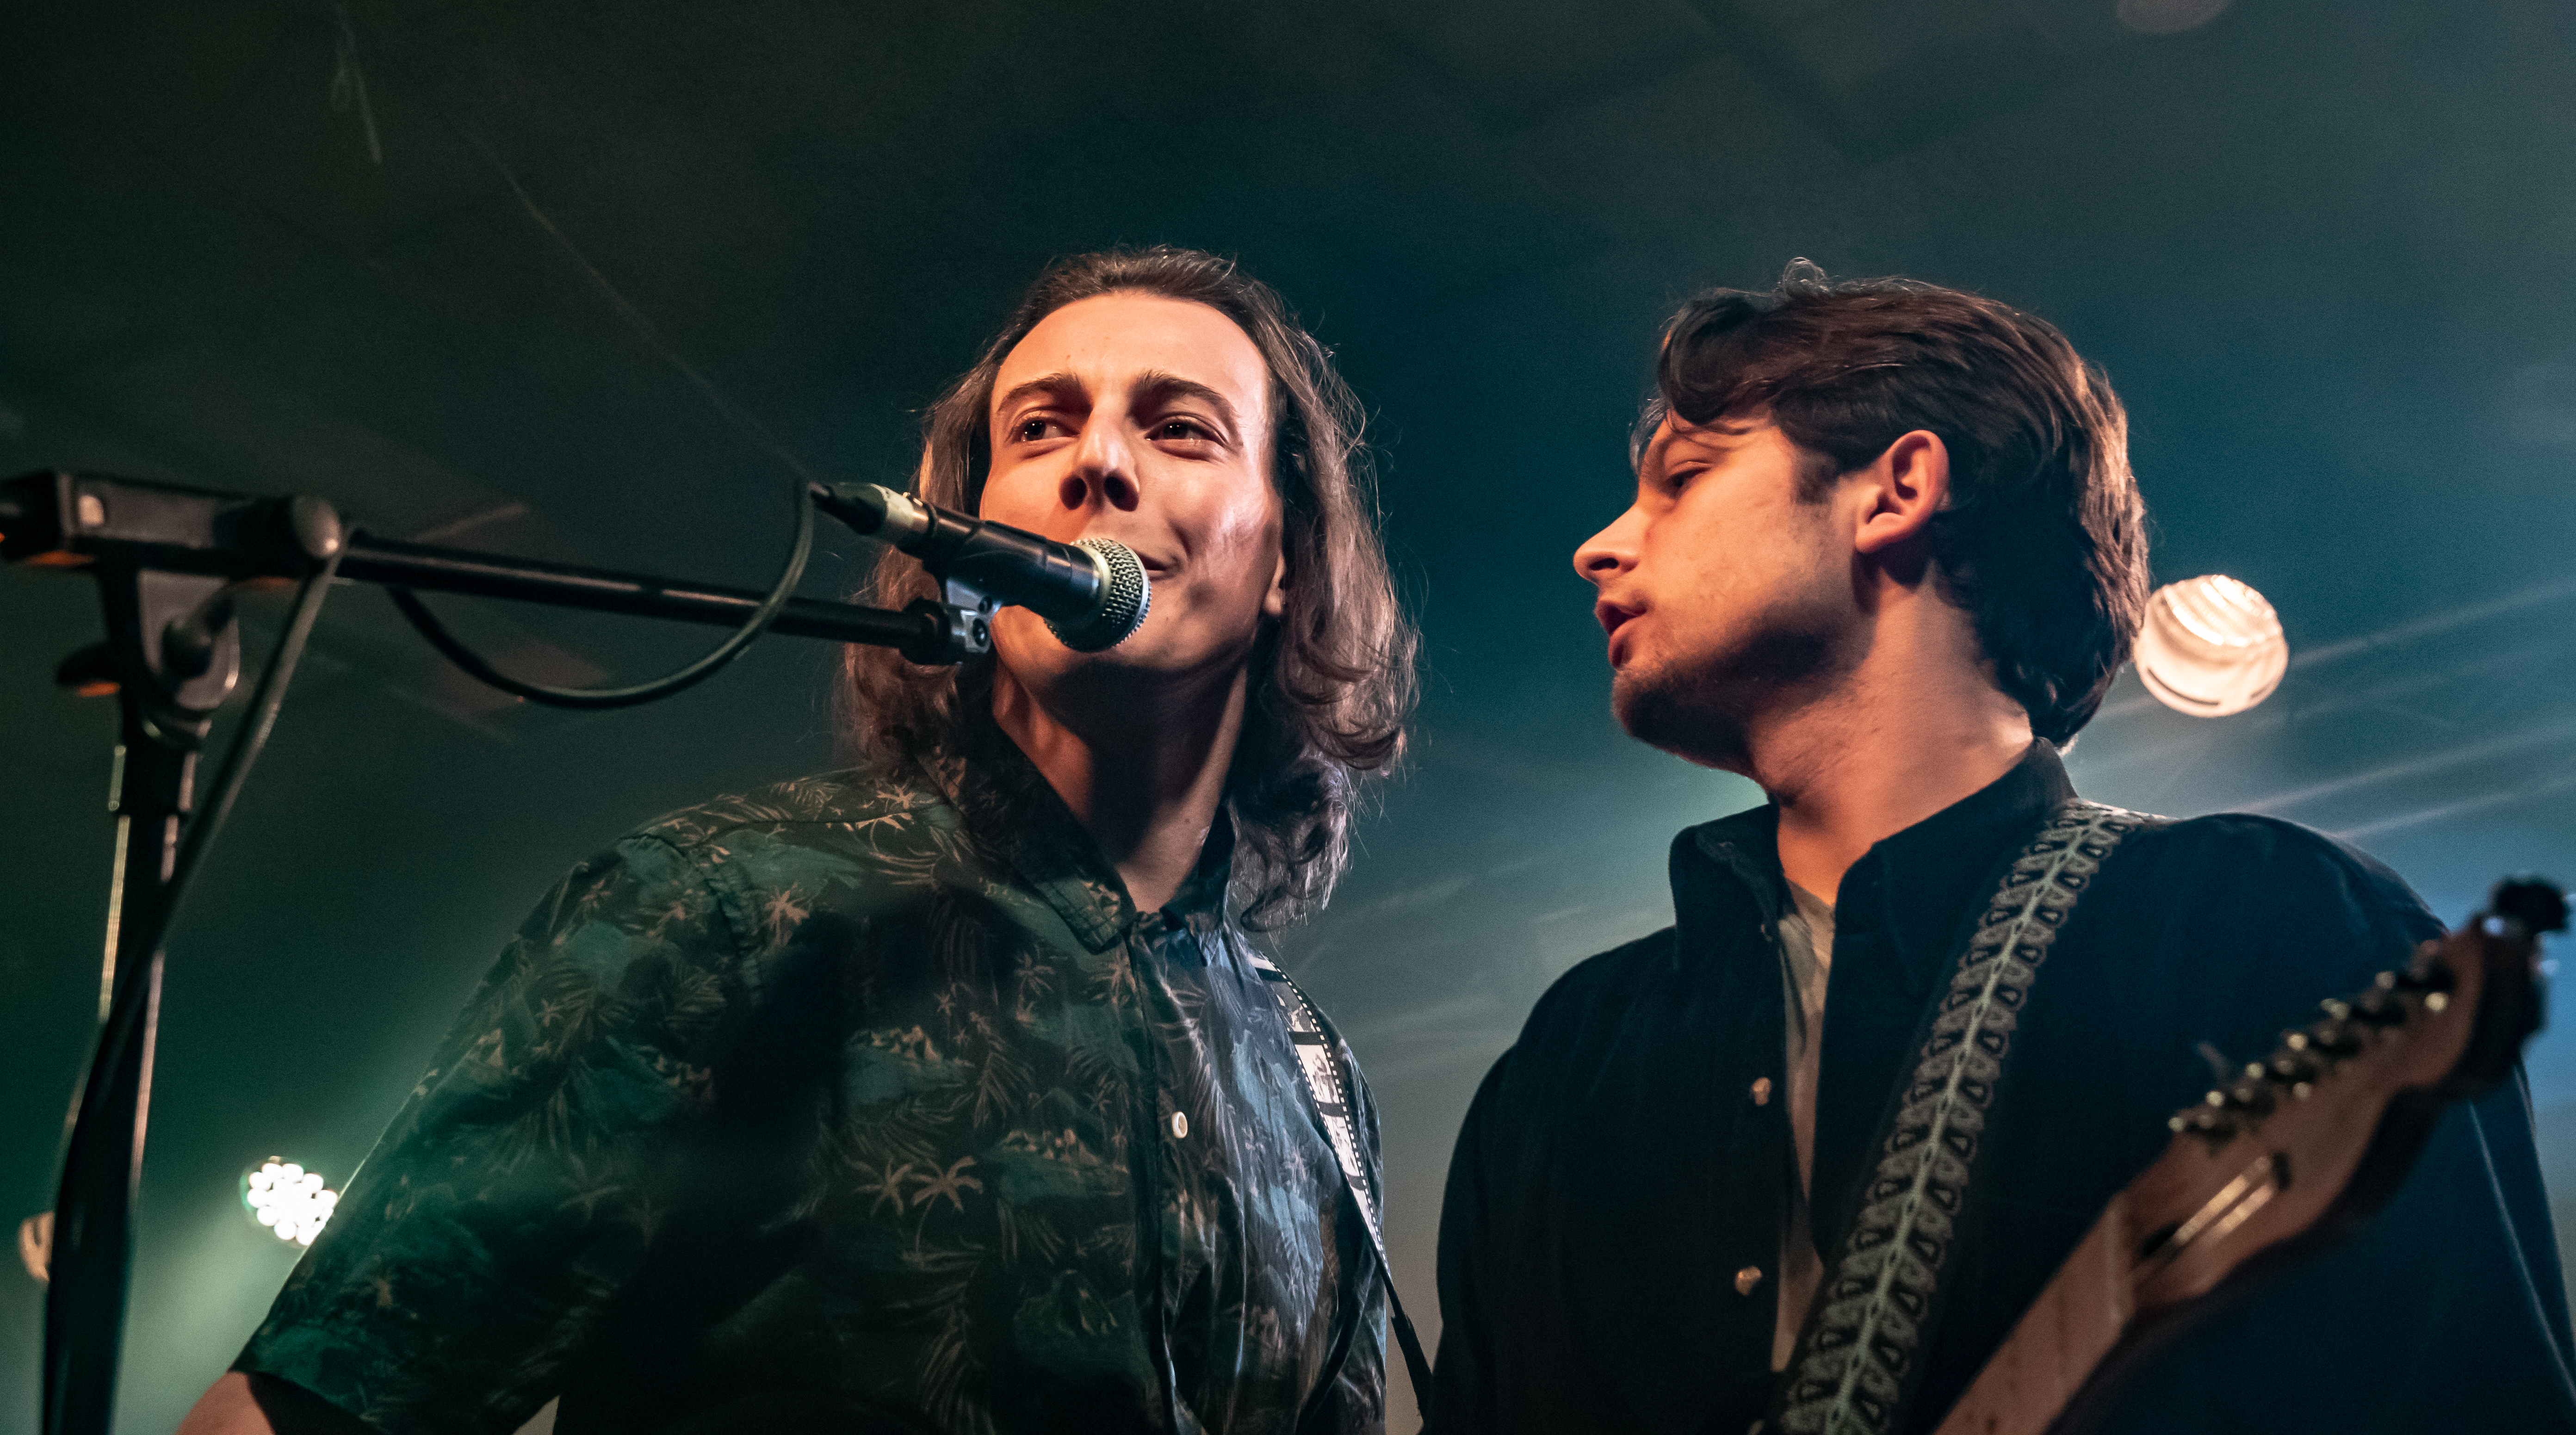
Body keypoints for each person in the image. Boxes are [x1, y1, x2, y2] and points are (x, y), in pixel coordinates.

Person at [180, 247, 1418, 1435]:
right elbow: (312, 1408)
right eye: (1039, 428)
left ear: (1285, 559)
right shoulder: (725, 906)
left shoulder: (1314, 1079)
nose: (1095, 461)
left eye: (1179, 426)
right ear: (964, 534)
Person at [1424, 261, 2576, 1435]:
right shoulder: (1568, 1057)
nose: (1600, 545)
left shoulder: (2266, 927)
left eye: (1683, 477)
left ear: (1896, 490)